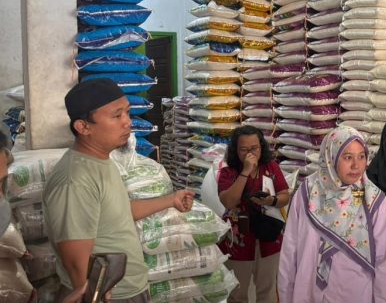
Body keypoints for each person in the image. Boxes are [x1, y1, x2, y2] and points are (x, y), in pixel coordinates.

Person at [43, 78, 195, 302]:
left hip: (128, 290)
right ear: (83, 127)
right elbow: (75, 262)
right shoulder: (75, 180)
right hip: (110, 295)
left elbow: (118, 212)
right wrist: (95, 295)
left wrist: (171, 200)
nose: (128, 122)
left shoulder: (102, 161)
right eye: (117, 116)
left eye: (127, 112)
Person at [278, 126, 386, 303]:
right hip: (307, 292)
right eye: (348, 157)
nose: (356, 165)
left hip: (355, 294)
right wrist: (285, 296)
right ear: (331, 157)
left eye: (361, 156)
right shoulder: (307, 194)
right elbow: (290, 252)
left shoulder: (374, 202)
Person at [218, 125, 290, 303]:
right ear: (235, 150)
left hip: (269, 237)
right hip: (238, 240)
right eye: (244, 149)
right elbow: (229, 201)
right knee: (237, 293)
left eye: (254, 148)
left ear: (261, 147)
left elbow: (284, 195)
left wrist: (272, 200)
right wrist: (245, 171)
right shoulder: (228, 171)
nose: (250, 153)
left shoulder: (271, 167)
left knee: (268, 292)